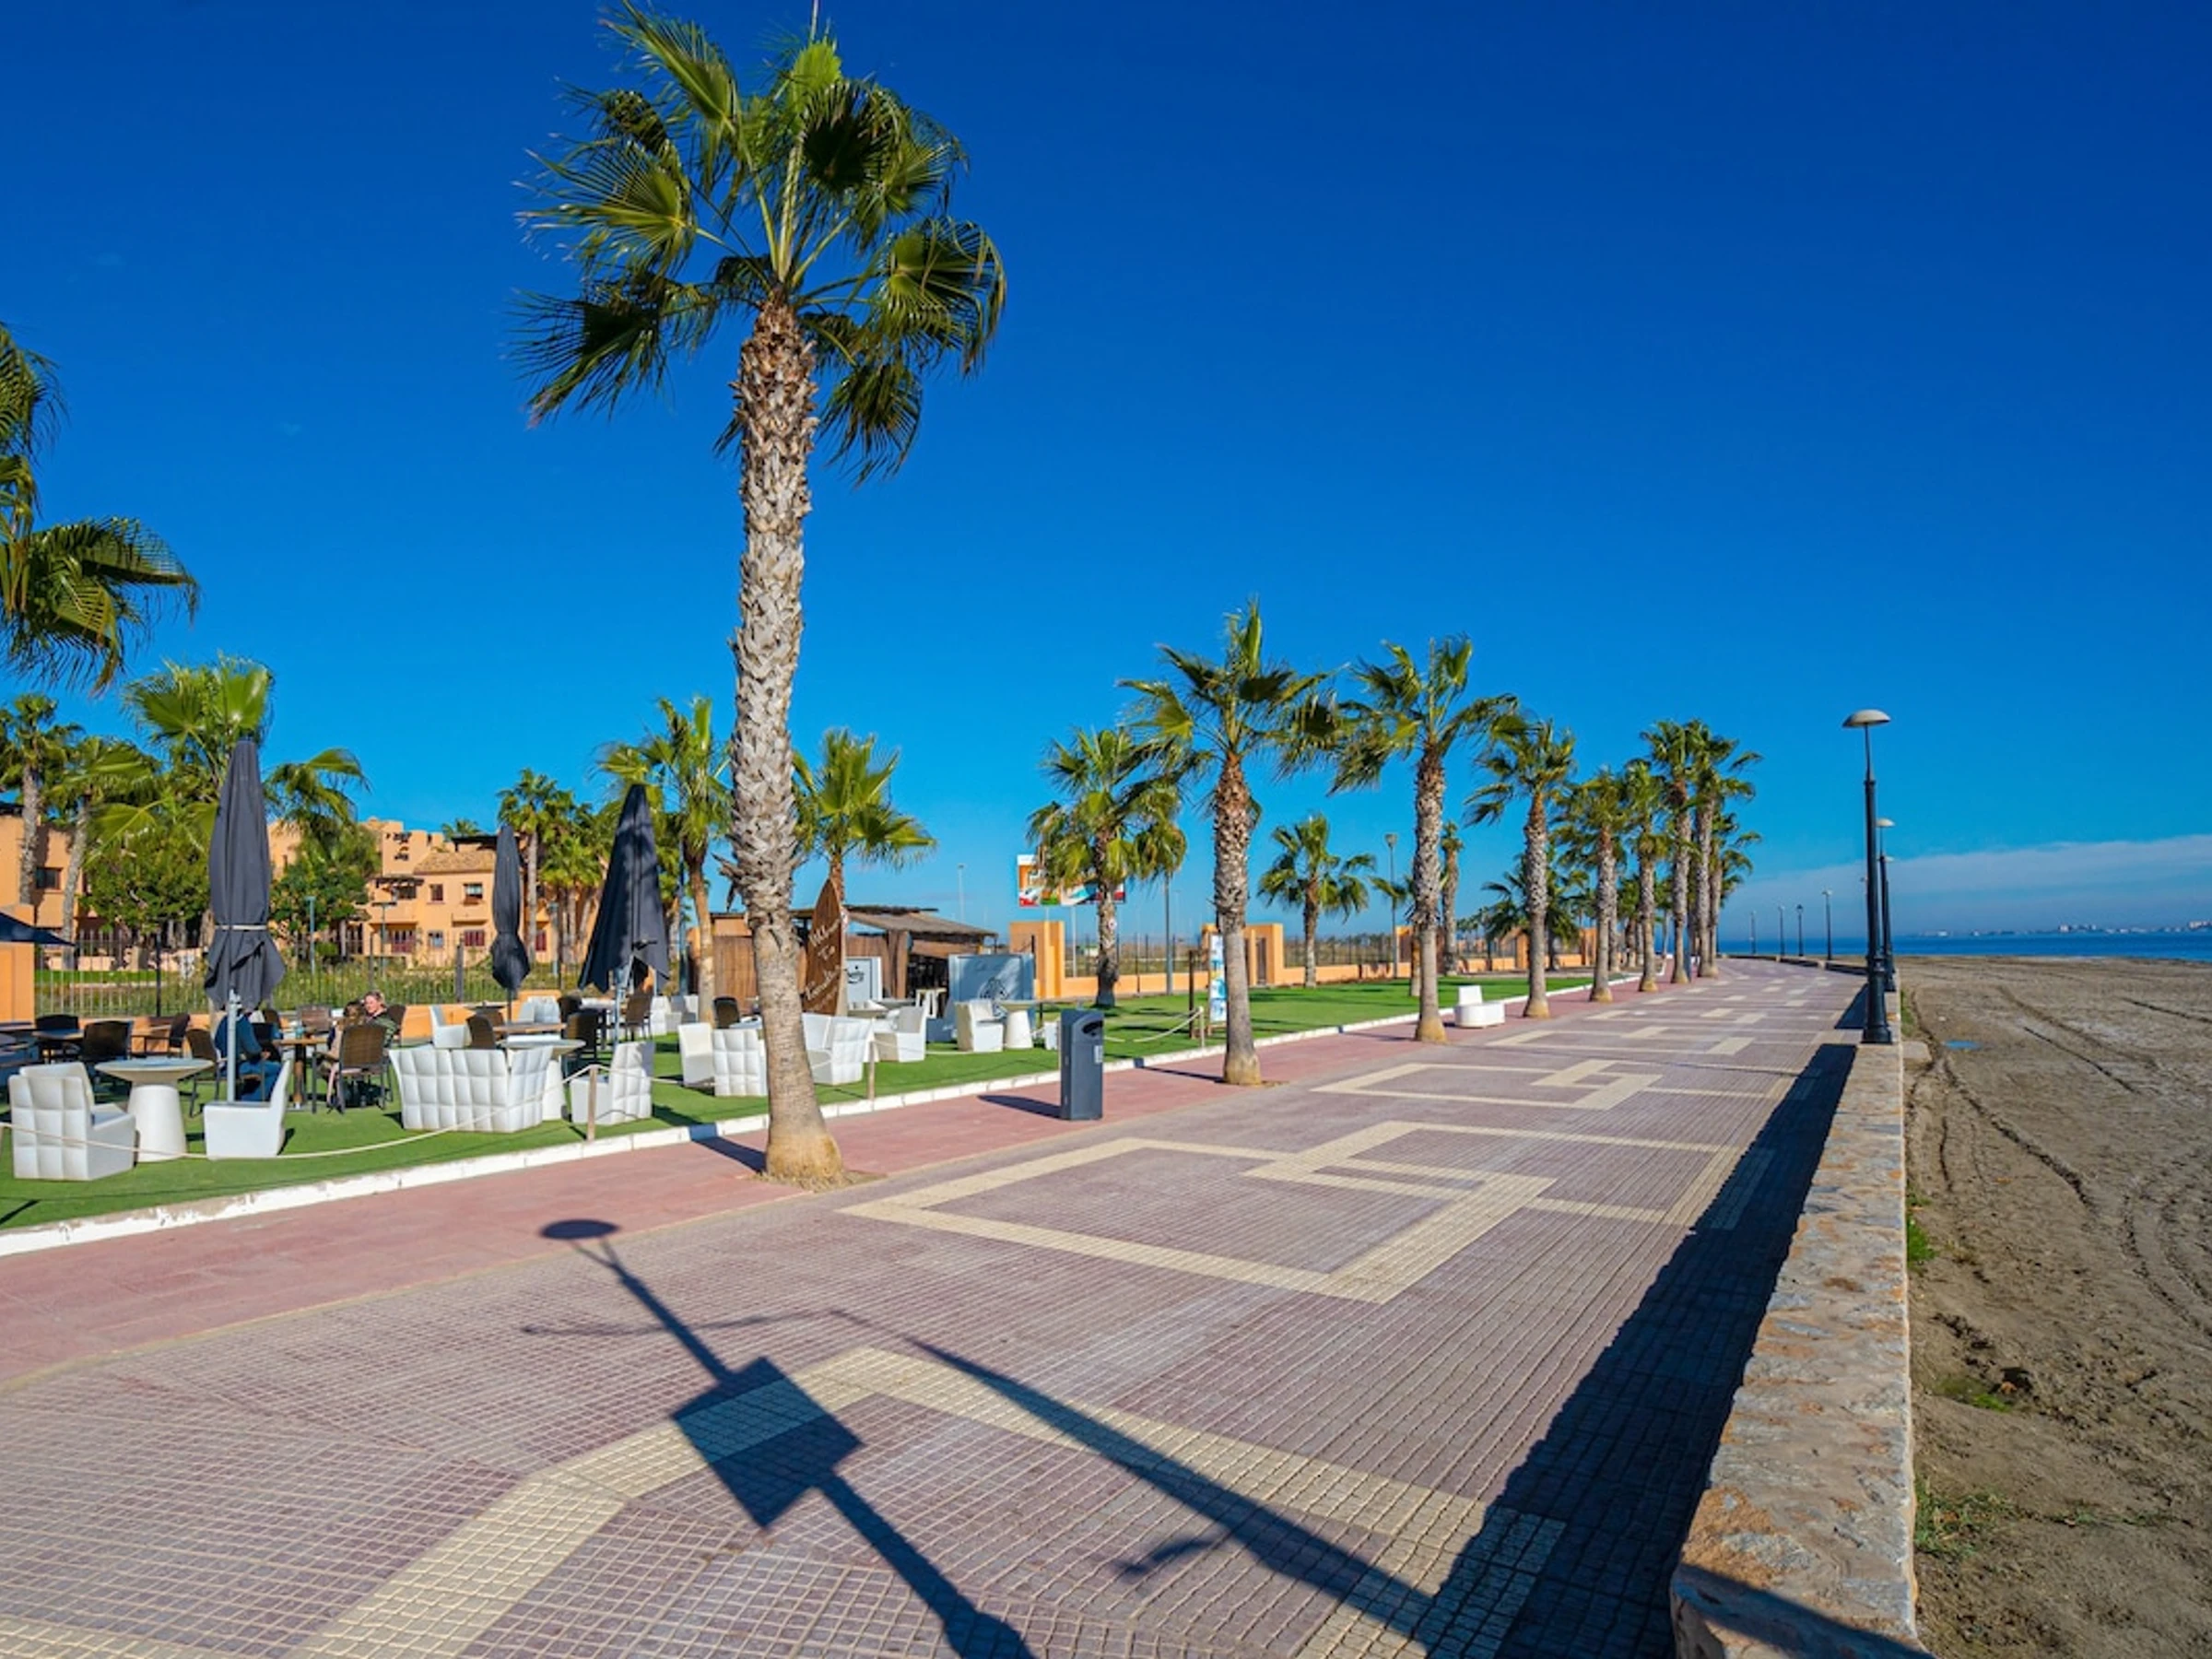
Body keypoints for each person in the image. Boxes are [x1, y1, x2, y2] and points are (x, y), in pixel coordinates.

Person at [212, 1006, 279, 1102]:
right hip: (238, 1066)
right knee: (278, 1069)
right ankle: (252, 1099)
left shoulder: (224, 1021)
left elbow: (217, 1043)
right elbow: (253, 1050)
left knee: (263, 1067)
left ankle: (248, 1095)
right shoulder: (242, 1022)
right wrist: (261, 1054)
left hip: (223, 1066)